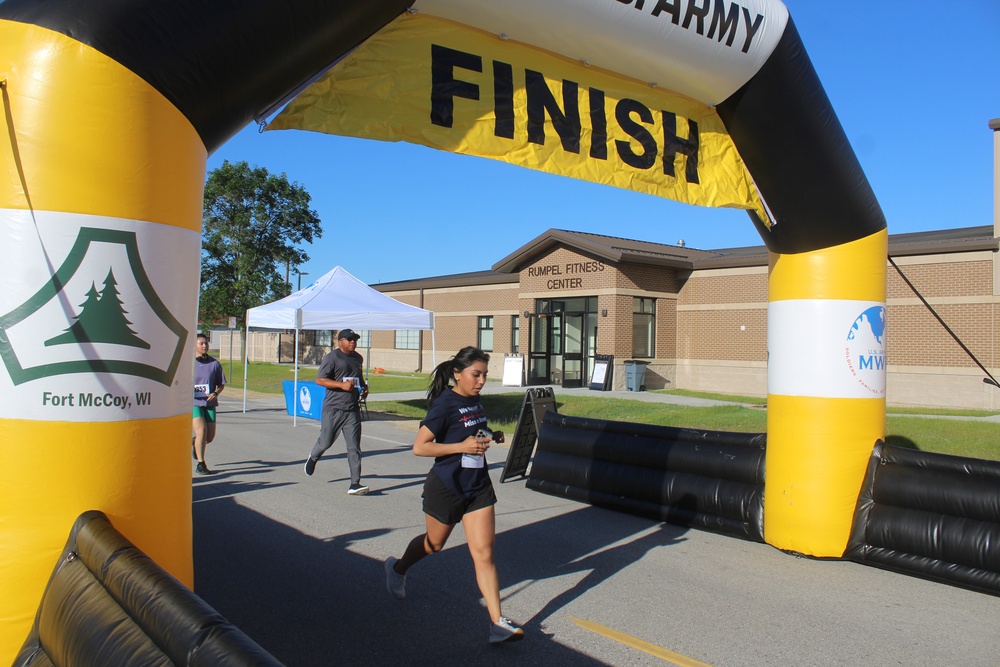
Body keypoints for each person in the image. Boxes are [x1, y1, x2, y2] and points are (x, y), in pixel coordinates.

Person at [383, 346, 523, 644]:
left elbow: (472, 431)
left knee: (484, 553)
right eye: (476, 374)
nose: (482, 380)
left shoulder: (476, 401)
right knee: (433, 544)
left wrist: (490, 434)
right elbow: (420, 447)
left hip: (477, 486)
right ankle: (397, 568)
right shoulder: (445, 404)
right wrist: (462, 447)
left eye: (485, 374)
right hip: (446, 486)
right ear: (457, 373)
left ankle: (497, 623)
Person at [303, 329, 370, 495]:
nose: (353, 342)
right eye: (349, 339)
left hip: (352, 409)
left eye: (355, 339)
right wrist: (341, 385)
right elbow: (320, 379)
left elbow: (358, 378)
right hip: (333, 408)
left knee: (354, 447)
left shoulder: (358, 358)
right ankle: (313, 457)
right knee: (326, 442)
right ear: (340, 341)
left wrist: (364, 388)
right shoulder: (332, 358)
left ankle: (355, 483)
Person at [193, 332, 226, 475]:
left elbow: (221, 385)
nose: (204, 345)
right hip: (193, 402)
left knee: (209, 437)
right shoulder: (188, 363)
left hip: (209, 403)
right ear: (195, 345)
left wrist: (215, 393)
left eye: (206, 343)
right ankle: (201, 464)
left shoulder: (214, 364)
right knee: (201, 431)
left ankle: (194, 444)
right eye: (201, 343)